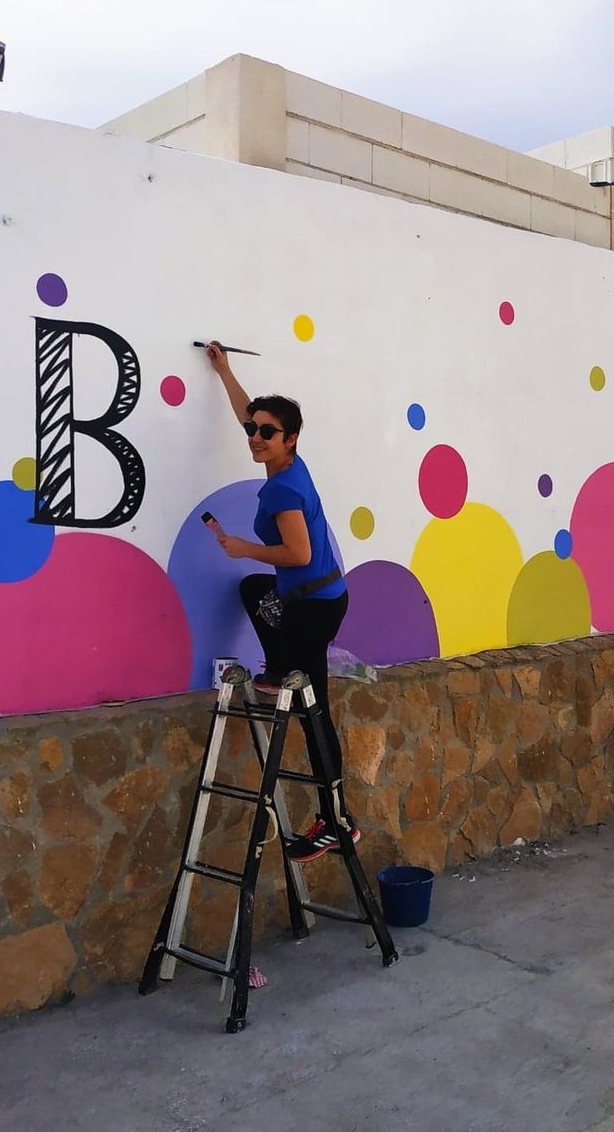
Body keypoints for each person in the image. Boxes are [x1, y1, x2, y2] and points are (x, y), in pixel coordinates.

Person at [203, 340, 359, 863]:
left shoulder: (282, 490)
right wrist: (225, 371)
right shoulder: (287, 466)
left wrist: (245, 548)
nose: (255, 437)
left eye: (267, 433)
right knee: (255, 592)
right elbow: (246, 410)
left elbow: (297, 552)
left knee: (316, 714)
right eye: (253, 430)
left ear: (290, 439)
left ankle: (337, 821)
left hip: (312, 608)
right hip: (318, 597)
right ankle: (280, 662)